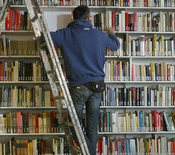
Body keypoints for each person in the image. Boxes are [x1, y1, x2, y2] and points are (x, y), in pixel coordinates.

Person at [41, 5, 120, 155]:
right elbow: (115, 45)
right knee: (92, 125)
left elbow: (44, 38)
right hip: (98, 86)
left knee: (74, 124)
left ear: (73, 18)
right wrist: (112, 33)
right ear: (89, 18)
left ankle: (88, 152)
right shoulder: (100, 35)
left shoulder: (66, 34)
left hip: (78, 86)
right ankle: (91, 152)